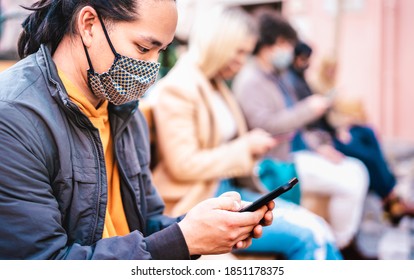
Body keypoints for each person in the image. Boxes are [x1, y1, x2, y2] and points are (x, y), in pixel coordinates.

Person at [0, 0, 274, 260]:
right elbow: (44, 263)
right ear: (89, 25)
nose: (152, 67)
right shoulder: (13, 119)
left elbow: (146, 222)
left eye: (161, 51)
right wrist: (183, 240)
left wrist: (203, 226)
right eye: (144, 49)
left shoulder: (125, 112)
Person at [151, 6, 342, 260]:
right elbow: (183, 165)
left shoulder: (215, 84)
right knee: (312, 235)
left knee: (318, 229)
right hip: (201, 202)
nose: (242, 61)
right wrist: (245, 147)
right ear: (220, 44)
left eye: (246, 53)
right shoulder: (179, 88)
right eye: (239, 52)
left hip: (229, 193)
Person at [232, 9, 369, 250]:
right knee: (350, 179)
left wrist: (320, 147)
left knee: (356, 170)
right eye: (284, 43)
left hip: (294, 153)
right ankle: (339, 244)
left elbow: (297, 125)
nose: (288, 50)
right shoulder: (251, 80)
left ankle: (341, 242)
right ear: (268, 44)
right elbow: (266, 126)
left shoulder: (277, 76)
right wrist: (309, 109)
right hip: (275, 163)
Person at [309, 56, 414, 225]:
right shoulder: (314, 86)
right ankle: (390, 198)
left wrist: (345, 123)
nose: (332, 72)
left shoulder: (331, 84)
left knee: (368, 132)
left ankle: (390, 192)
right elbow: (319, 121)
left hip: (337, 129)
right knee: (368, 155)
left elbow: (337, 111)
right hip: (327, 136)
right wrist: (338, 128)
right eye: (329, 68)